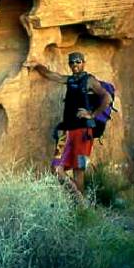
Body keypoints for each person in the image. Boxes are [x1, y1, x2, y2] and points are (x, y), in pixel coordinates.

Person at [26, 52, 112, 198]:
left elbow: (107, 97)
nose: (74, 65)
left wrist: (91, 114)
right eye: (71, 62)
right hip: (66, 132)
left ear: (83, 63)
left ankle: (80, 208)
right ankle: (79, 198)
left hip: (84, 132)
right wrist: (37, 66)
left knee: (79, 169)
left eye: (77, 62)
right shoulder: (69, 80)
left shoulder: (89, 80)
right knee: (55, 168)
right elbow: (52, 75)